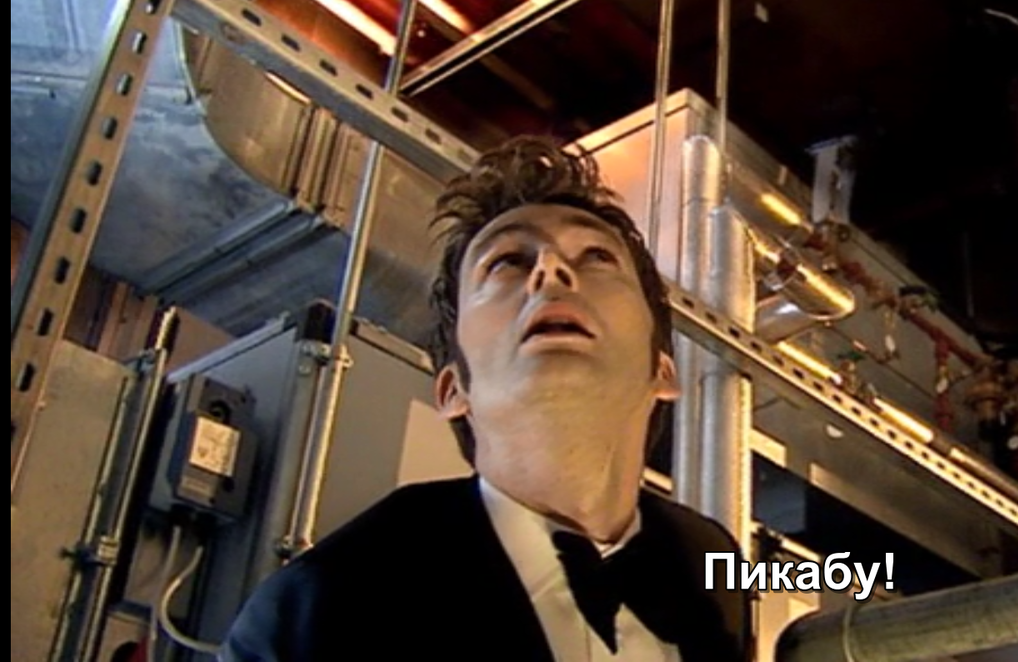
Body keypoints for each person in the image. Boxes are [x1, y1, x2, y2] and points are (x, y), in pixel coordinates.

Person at [222, 136, 753, 661]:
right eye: (506, 263)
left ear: (662, 370)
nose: (551, 269)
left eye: (596, 256)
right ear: (455, 389)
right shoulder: (314, 608)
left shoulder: (713, 559)